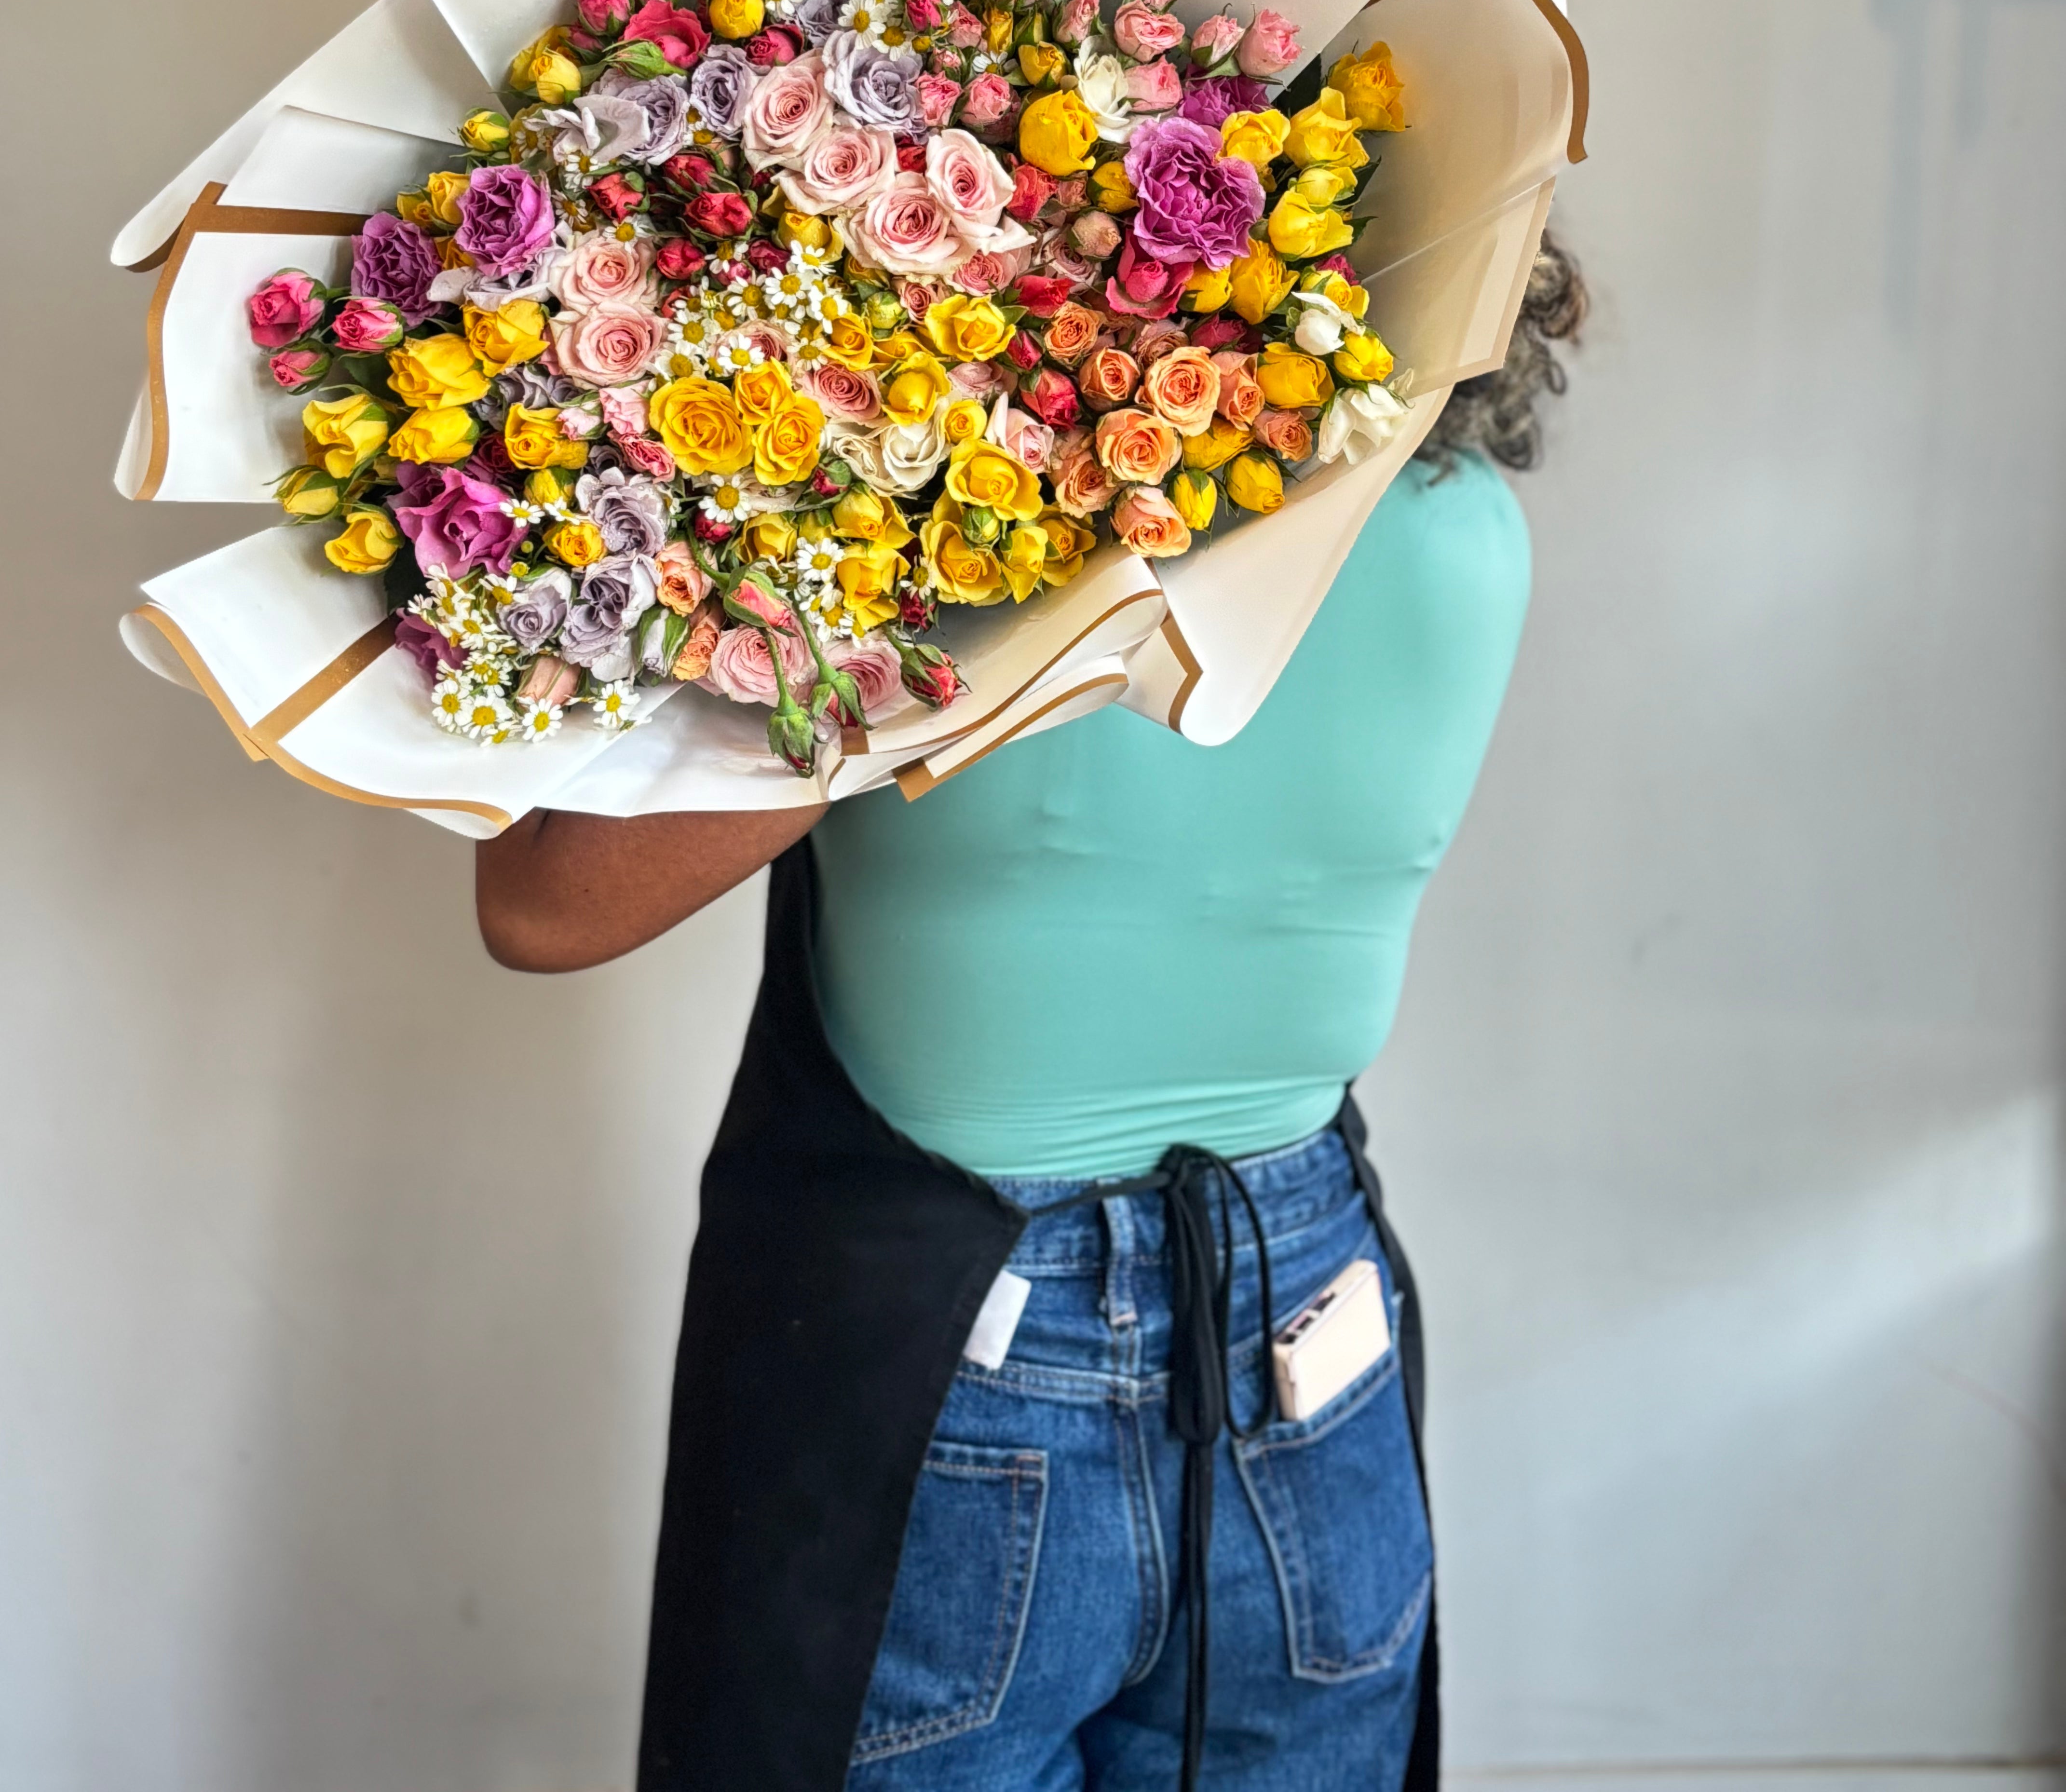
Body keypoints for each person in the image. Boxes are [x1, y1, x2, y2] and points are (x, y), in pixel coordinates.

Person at [476, 234, 1588, 1792]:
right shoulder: (1471, 530)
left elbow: (545, 905)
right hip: (1313, 1333)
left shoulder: (969, 550)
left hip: (963, 1368)